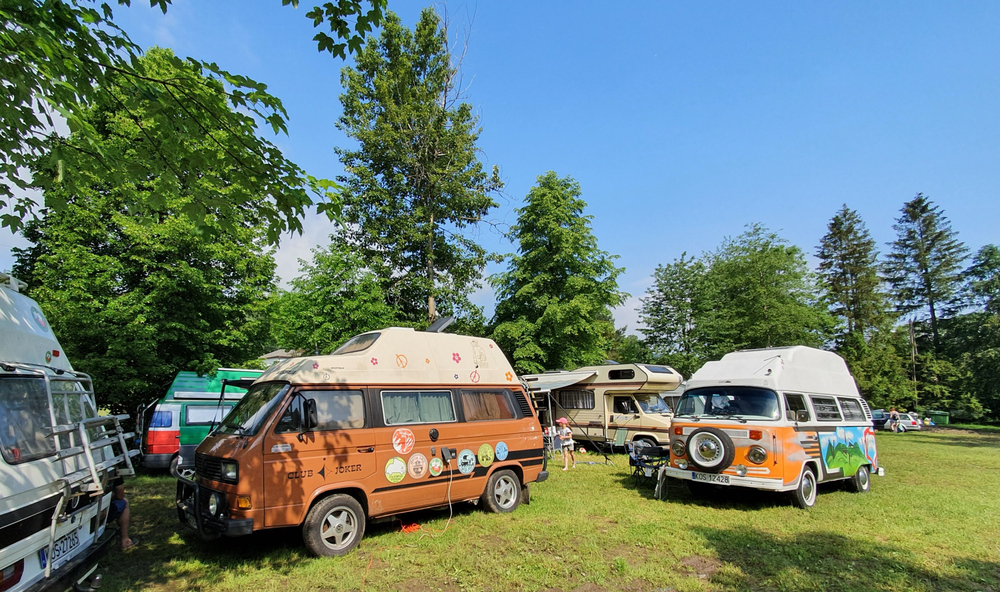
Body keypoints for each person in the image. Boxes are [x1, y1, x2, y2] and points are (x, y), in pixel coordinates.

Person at [107, 475, 138, 550]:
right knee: (124, 502)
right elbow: (120, 495)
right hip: (101, 513)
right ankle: (125, 540)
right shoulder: (111, 470)